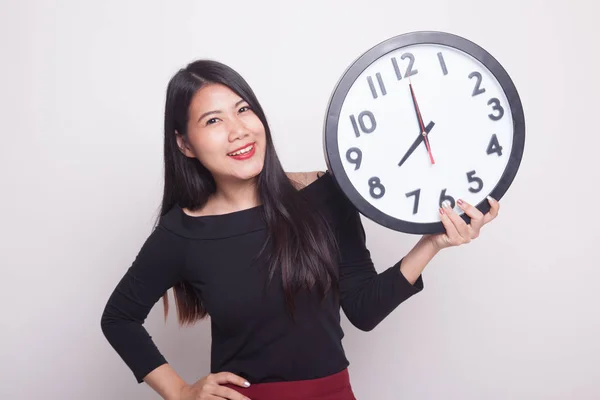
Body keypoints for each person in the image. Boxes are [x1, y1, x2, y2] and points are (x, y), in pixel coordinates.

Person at [100, 59, 500, 400]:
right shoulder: (183, 232)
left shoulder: (325, 194)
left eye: (243, 110)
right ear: (185, 144)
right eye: (213, 120)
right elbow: (119, 318)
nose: (237, 130)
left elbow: (363, 309)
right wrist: (181, 391)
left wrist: (432, 243)